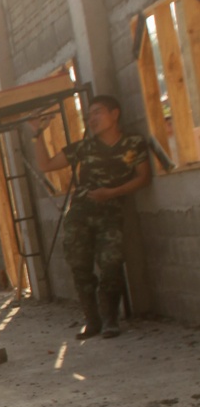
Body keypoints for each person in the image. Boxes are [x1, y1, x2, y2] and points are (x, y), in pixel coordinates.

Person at [31, 96, 151, 339]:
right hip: (80, 215)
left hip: (111, 213)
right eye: (88, 115)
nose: (91, 119)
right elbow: (46, 165)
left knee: (111, 264)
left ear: (114, 114)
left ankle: (110, 319)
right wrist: (37, 135)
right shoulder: (84, 147)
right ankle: (92, 320)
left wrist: (112, 193)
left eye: (97, 113)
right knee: (80, 266)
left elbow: (143, 177)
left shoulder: (133, 143)